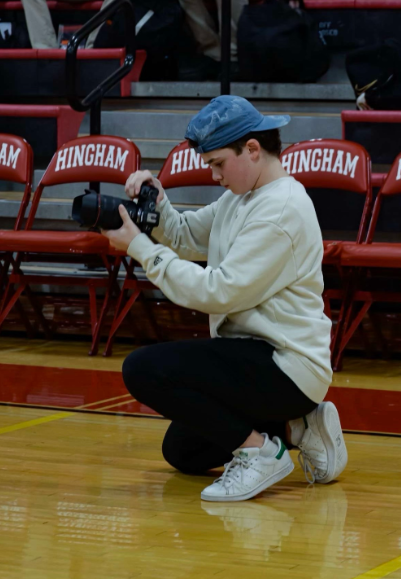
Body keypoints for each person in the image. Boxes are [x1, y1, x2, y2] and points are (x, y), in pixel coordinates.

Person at [103, 95, 348, 502]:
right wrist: (158, 203)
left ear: (252, 149)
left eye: (218, 163)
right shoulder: (241, 196)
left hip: (285, 364)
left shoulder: (280, 209)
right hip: (251, 356)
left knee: (142, 369)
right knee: (183, 451)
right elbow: (184, 236)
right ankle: (296, 429)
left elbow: (216, 292)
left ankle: (262, 452)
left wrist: (141, 249)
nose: (214, 175)